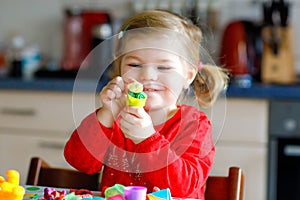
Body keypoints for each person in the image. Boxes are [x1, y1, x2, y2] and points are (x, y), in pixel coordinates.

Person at [64, 9, 228, 199]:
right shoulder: (116, 119)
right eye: (134, 65)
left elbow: (184, 188)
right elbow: (79, 161)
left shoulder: (195, 125)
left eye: (164, 67)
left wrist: (147, 138)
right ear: (120, 70)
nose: (147, 76)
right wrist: (106, 114)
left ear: (188, 76)